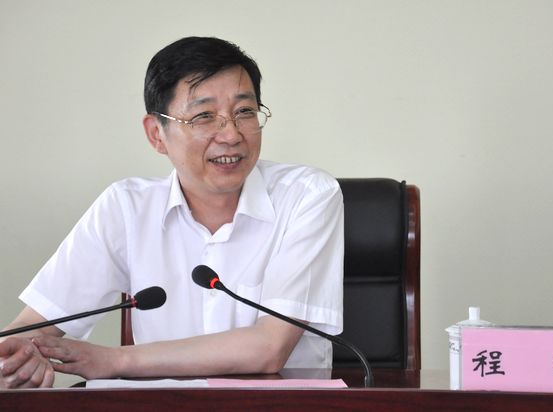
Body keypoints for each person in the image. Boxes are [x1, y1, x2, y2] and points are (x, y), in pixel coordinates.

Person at [0, 37, 344, 389]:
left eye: (244, 112)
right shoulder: (127, 207)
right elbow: (33, 326)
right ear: (156, 134)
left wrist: (116, 361)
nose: (231, 134)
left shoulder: (307, 196)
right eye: (204, 116)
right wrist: (17, 354)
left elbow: (270, 348)